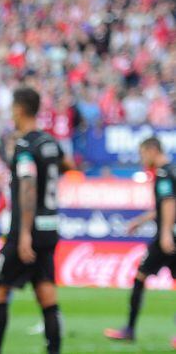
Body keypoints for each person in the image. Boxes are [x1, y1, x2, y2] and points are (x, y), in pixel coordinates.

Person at [0, 87, 73, 354]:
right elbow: (67, 164)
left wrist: (24, 233)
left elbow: (28, 186)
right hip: (50, 227)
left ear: (20, 109)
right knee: (46, 292)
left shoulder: (25, 146)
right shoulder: (50, 142)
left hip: (26, 230)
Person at [104, 136, 176, 346]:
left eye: (143, 153)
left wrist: (164, 233)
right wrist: (140, 220)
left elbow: (169, 203)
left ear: (153, 150)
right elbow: (165, 206)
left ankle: (129, 329)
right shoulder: (171, 170)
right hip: (171, 234)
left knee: (140, 276)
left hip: (167, 237)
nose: (142, 158)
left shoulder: (163, 173)